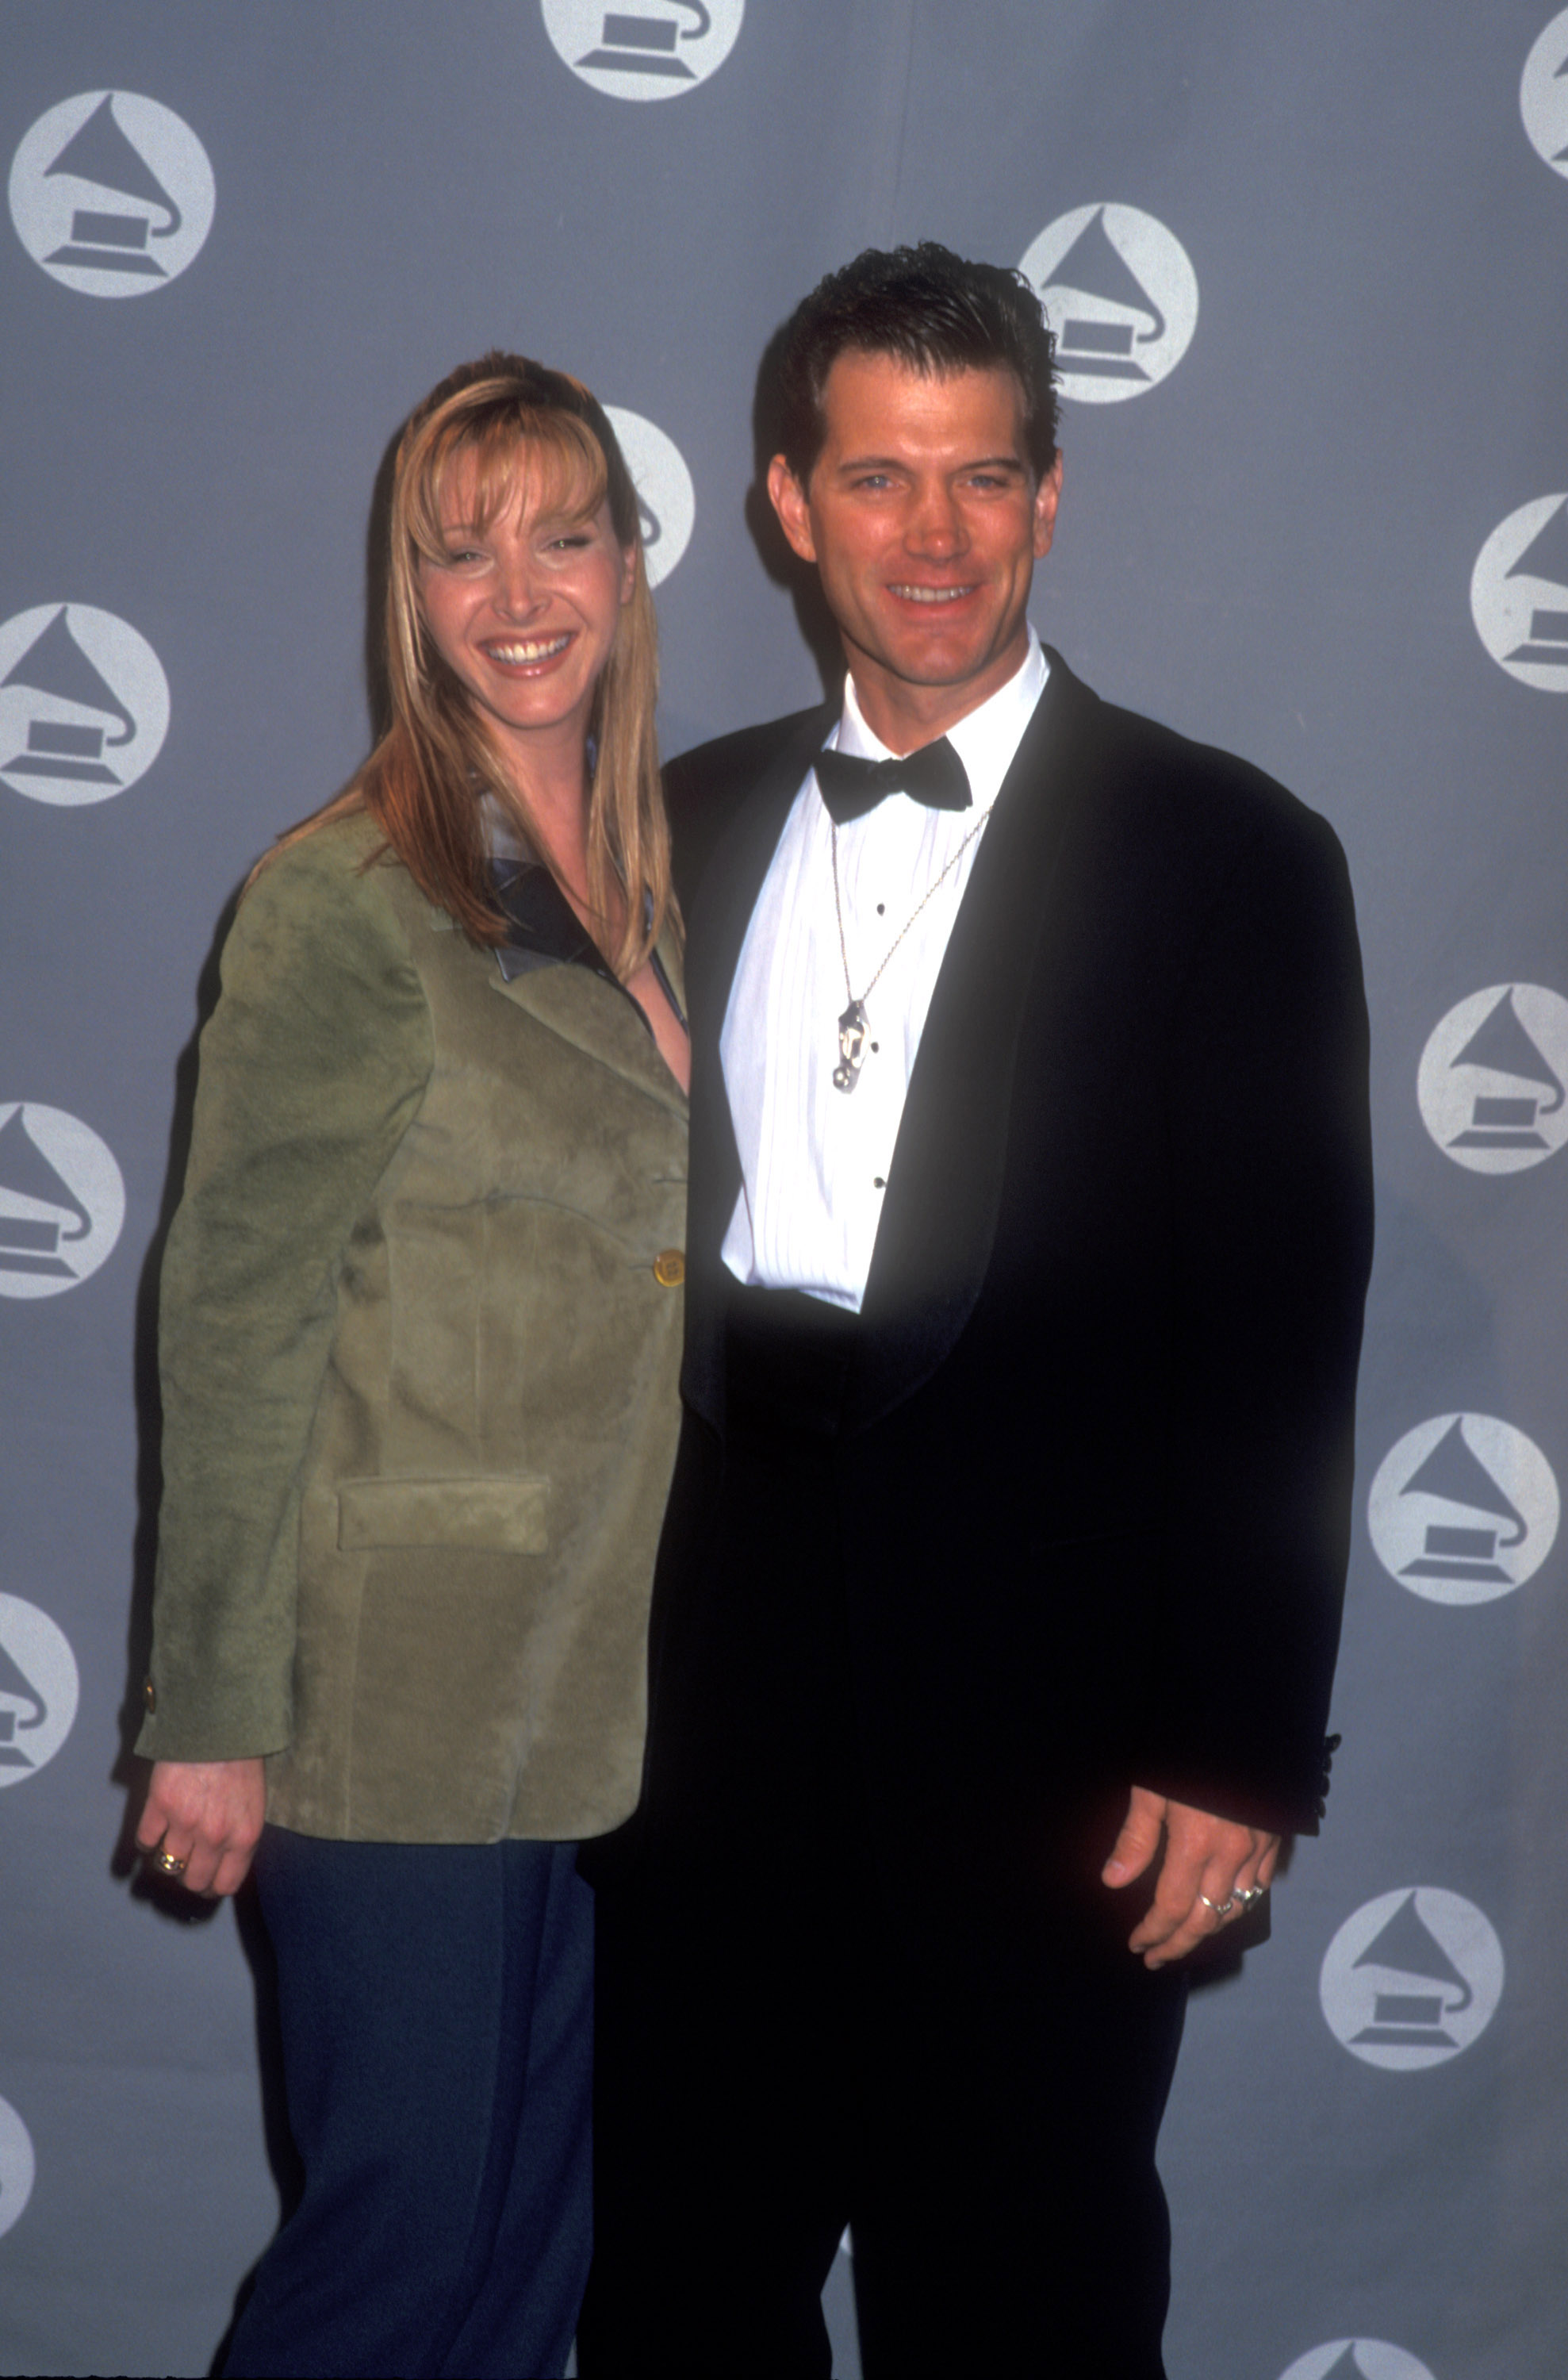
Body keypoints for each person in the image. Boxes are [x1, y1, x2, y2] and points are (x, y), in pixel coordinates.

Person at [579, 246, 1373, 2378]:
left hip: (1052, 1718)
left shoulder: (1227, 851)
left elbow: (1283, 1333)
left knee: (1018, 2291)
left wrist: (1236, 1747)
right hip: (702, 1694)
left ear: (1049, 499)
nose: (930, 536)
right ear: (784, 503)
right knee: (680, 2267)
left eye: (981, 478)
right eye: (877, 478)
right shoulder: (670, 826)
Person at [132, 351, 689, 2380]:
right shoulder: (339, 900)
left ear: (631, 566)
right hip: (391, 1705)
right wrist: (209, 1707)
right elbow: (236, 1315)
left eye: (561, 534)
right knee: (396, 2269)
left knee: (524, 2284)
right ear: (410, 593)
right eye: (462, 552)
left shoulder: (671, 883)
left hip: (615, 1701)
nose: (516, 590)